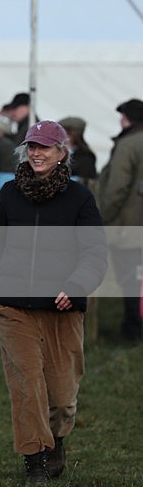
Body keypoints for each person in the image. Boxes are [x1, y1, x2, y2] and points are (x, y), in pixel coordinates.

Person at [0, 120, 108, 487]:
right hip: (14, 308)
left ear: (63, 153)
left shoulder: (80, 199)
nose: (36, 153)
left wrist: (76, 286)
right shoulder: (10, 193)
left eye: (44, 147)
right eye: (31, 146)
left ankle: (56, 439)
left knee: (61, 397)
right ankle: (35, 460)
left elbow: (94, 254)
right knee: (27, 386)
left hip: (62, 310)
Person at [99, 98, 143, 342]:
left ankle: (132, 330)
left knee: (131, 280)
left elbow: (116, 189)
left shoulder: (128, 146)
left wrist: (103, 216)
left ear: (127, 118)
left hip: (130, 227)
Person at [58, 116, 97, 183]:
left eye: (65, 133)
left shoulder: (85, 157)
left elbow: (86, 183)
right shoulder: (56, 152)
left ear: (74, 134)